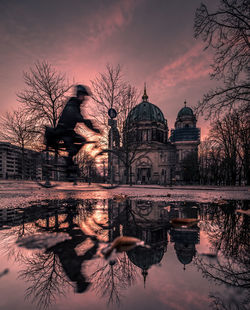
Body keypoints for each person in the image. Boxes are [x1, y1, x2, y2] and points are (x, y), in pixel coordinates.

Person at [45, 84, 100, 176]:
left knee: (82, 141)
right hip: (63, 131)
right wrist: (85, 121)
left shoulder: (77, 105)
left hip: (69, 131)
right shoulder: (72, 103)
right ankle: (68, 167)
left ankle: (69, 162)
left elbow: (82, 119)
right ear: (79, 95)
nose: (84, 99)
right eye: (83, 96)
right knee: (72, 149)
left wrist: (94, 129)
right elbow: (77, 116)